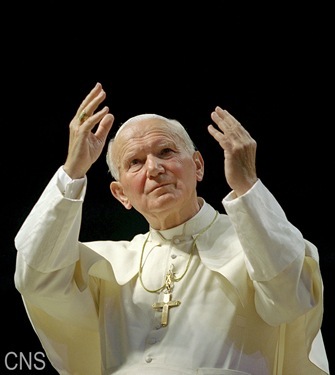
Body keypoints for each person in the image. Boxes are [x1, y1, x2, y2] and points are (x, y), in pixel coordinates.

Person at [14, 82, 329, 375]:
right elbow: (36, 278)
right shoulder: (107, 264)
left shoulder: (260, 246)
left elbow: (291, 300)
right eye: (135, 162)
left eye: (165, 152)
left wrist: (248, 187)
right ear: (120, 194)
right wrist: (72, 171)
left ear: (199, 166)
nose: (154, 168)